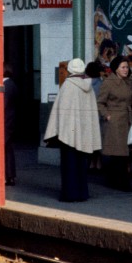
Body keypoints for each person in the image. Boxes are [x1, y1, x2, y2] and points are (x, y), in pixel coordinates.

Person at [44, 57, 101, 202]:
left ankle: (69, 194)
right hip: (83, 134)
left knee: (68, 165)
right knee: (81, 165)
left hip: (68, 134)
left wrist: (55, 131)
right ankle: (82, 193)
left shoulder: (67, 85)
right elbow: (92, 113)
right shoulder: (89, 88)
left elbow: (59, 111)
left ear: (69, 70)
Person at [97, 55, 132, 191]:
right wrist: (107, 116)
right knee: (120, 153)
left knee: (124, 152)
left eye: (127, 67)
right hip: (115, 121)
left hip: (127, 119)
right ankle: (122, 182)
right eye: (123, 67)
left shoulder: (129, 82)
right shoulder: (108, 83)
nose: (126, 70)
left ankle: (114, 179)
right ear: (116, 69)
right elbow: (100, 102)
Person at [3, 63, 17, 186]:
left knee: (5, 150)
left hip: (5, 122)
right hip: (10, 121)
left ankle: (8, 175)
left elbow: (3, 104)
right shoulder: (11, 84)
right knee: (8, 150)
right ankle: (10, 175)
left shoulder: (6, 86)